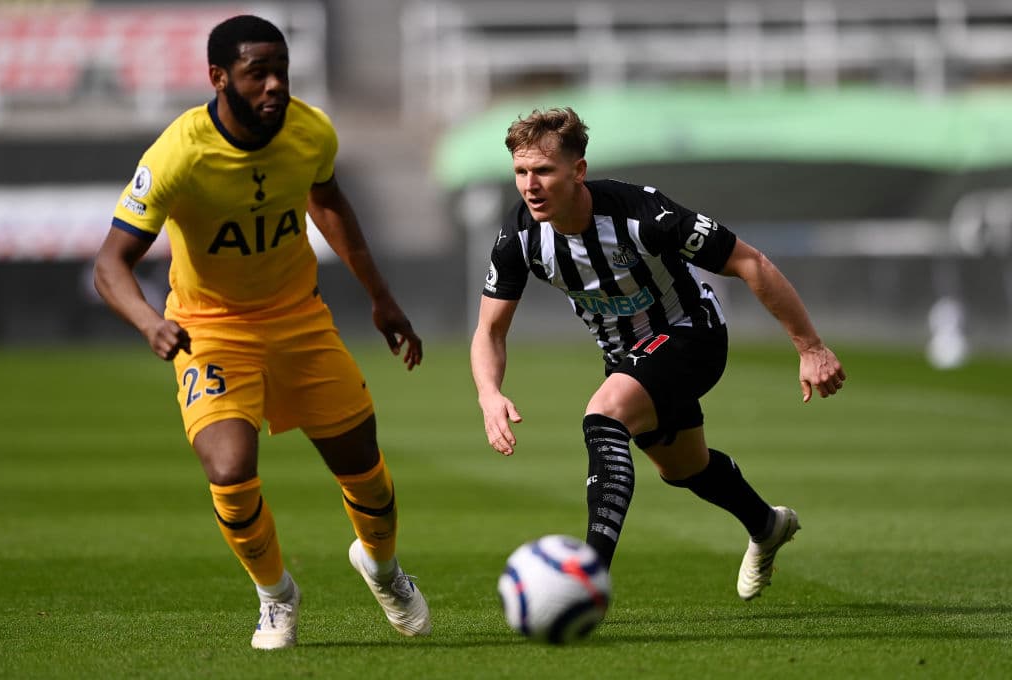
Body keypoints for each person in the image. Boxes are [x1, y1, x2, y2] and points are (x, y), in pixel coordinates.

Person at [93, 15, 431, 649]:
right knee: (229, 469)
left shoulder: (310, 131)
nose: (274, 85)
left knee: (362, 464)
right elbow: (110, 264)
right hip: (210, 328)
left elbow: (327, 202)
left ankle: (384, 570)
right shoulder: (178, 153)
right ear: (219, 78)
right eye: (258, 74)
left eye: (281, 71)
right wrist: (149, 322)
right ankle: (276, 596)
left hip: (299, 317)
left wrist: (381, 298)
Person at [470, 107, 846, 602]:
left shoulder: (643, 215)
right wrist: (489, 393)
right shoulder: (520, 235)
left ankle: (588, 580)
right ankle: (766, 525)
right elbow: (490, 330)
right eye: (521, 172)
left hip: (692, 334)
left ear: (578, 170)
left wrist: (810, 347)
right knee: (684, 468)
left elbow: (749, 262)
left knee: (603, 415)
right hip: (626, 355)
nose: (529, 185)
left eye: (543, 170)